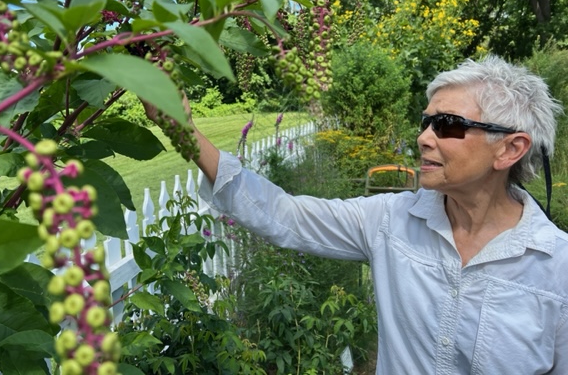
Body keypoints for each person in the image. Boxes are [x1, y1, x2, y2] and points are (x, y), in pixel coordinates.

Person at [144, 55, 568, 374]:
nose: (423, 138)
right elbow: (286, 216)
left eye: (448, 125)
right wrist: (183, 128)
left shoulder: (557, 270)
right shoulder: (391, 219)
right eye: (426, 122)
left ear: (510, 149)